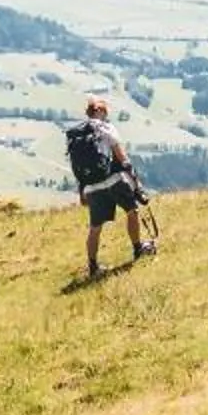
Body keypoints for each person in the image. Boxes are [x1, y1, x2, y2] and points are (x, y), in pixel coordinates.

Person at [63, 95, 153, 280]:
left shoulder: (75, 135)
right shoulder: (105, 127)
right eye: (105, 112)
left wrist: (82, 191)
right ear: (101, 111)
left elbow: (78, 167)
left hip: (91, 187)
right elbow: (122, 158)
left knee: (95, 228)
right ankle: (137, 249)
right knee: (132, 211)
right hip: (112, 180)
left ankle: (93, 266)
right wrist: (137, 185)